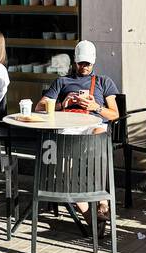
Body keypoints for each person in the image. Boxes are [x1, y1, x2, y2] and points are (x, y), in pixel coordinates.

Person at [39, 40, 120, 227]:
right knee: (64, 169)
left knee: (99, 133)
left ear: (94, 62)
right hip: (69, 128)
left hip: (93, 127)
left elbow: (115, 114)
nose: (84, 67)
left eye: (88, 63)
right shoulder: (62, 81)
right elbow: (39, 106)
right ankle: (90, 217)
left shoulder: (103, 81)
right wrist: (63, 104)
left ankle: (102, 202)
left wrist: (96, 107)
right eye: (81, 63)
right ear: (75, 62)